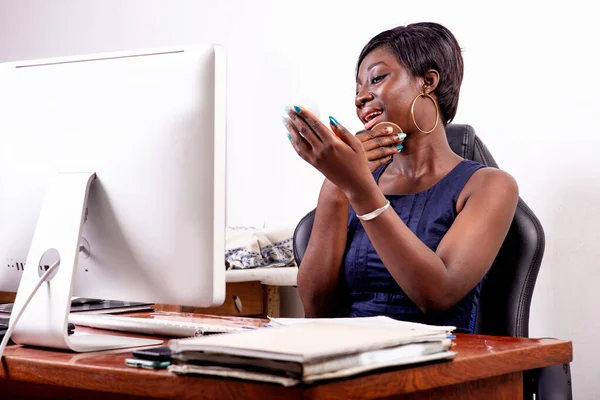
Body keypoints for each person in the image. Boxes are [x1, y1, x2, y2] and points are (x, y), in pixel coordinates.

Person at [283, 22, 518, 333]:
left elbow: (437, 295)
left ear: (428, 81)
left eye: (377, 79)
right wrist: (335, 187)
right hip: (348, 360)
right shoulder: (352, 182)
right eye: (357, 90)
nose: (360, 98)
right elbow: (317, 311)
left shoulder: (490, 186)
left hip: (438, 364)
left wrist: (357, 188)